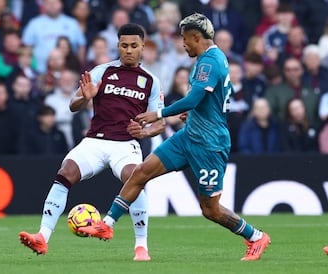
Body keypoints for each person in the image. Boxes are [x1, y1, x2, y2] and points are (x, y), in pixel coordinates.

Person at [79, 13, 271, 261]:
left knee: (210, 210)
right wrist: (194, 113)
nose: (183, 44)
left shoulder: (209, 62)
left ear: (195, 36)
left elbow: (193, 98)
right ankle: (107, 223)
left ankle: (256, 236)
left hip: (210, 144)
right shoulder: (208, 60)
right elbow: (212, 98)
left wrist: (158, 114)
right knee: (141, 172)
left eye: (184, 39)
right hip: (189, 135)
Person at [19, 23, 166, 261]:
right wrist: (85, 98)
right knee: (65, 172)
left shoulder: (151, 81)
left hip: (125, 145)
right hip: (95, 141)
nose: (129, 50)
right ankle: (42, 237)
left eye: (134, 46)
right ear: (118, 45)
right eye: (124, 45)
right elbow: (73, 105)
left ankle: (141, 247)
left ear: (142, 47)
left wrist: (145, 132)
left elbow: (160, 122)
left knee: (134, 177)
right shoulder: (102, 71)